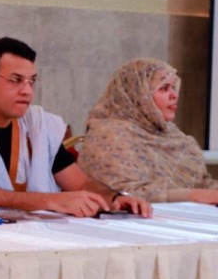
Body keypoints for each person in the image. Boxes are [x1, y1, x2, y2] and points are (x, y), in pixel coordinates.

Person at [0, 37, 152, 217]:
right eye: (16, 80)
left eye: (32, 81)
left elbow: (79, 183)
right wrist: (52, 201)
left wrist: (115, 198)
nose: (27, 91)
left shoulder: (36, 127)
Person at [76, 59, 218, 203]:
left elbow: (202, 184)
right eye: (164, 88)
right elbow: (120, 194)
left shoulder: (172, 134)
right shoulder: (109, 136)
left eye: (173, 87)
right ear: (138, 95)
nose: (174, 95)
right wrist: (192, 195)